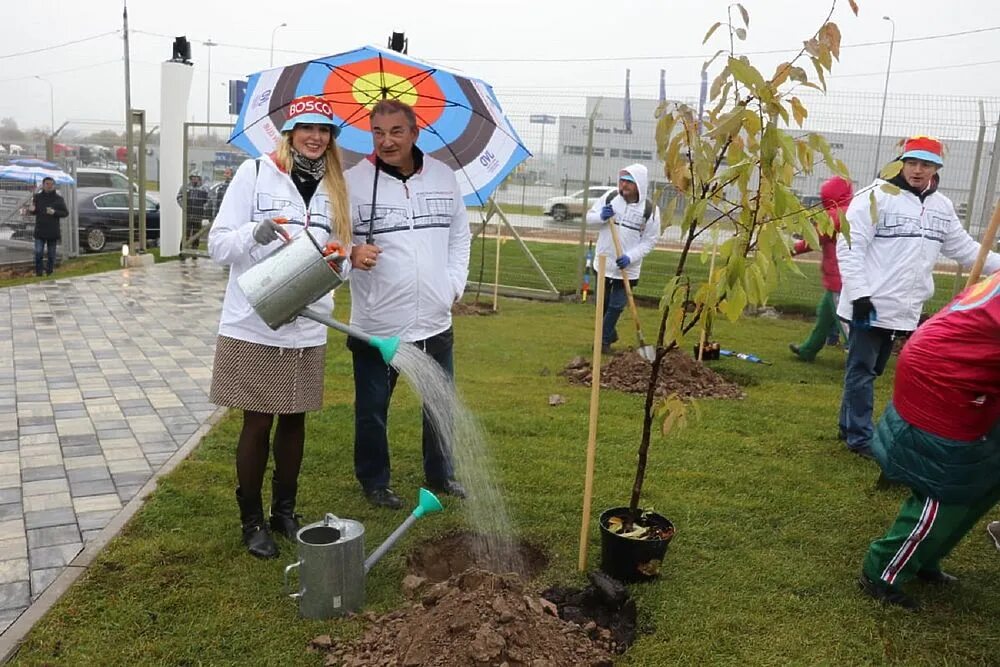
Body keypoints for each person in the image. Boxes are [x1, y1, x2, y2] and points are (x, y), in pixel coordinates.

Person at [207, 95, 352, 558]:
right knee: (257, 422)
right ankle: (251, 520)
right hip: (256, 324)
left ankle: (284, 512)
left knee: (295, 419)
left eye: (324, 130)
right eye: (307, 128)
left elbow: (342, 256)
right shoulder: (255, 173)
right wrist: (256, 233)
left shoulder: (336, 188)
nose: (315, 137)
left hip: (307, 323)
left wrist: (339, 263)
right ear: (289, 133)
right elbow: (217, 245)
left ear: (331, 139)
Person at [836, 135, 1000, 458]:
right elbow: (850, 247)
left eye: (925, 164)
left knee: (873, 370)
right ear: (901, 163)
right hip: (867, 306)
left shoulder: (942, 207)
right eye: (912, 162)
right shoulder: (875, 197)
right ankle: (859, 436)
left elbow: (967, 252)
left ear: (937, 168)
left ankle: (848, 428)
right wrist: (860, 296)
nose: (917, 170)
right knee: (862, 370)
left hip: (904, 309)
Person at [345, 99, 471, 510]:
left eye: (396, 131)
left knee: (439, 406)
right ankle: (375, 481)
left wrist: (453, 284)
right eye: (377, 132)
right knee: (372, 410)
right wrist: (351, 251)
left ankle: (441, 474)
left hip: (435, 320)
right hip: (377, 324)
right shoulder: (352, 183)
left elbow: (459, 235)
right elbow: (334, 240)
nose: (386, 141)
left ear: (415, 133)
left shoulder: (443, 177)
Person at [858, 270, 1000, 610]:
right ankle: (882, 571)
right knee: (946, 488)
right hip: (944, 379)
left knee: (986, 479)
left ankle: (923, 559)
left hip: (973, 376)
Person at [584, 164, 661, 354]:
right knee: (602, 305)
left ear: (639, 185)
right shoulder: (610, 198)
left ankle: (602, 342)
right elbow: (589, 218)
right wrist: (601, 216)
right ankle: (609, 335)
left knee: (617, 305)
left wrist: (630, 257)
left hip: (627, 268)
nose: (623, 185)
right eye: (622, 180)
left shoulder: (650, 211)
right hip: (603, 262)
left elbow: (650, 241)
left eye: (629, 182)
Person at [789, 176, 853, 362]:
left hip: (839, 279)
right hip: (840, 277)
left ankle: (861, 357)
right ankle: (808, 350)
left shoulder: (835, 216)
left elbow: (813, 241)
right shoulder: (852, 211)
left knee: (845, 322)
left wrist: (788, 251)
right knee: (824, 316)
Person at [27, 176, 68, 276]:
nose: (49, 186)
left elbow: (65, 213)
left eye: (51, 184)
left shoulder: (58, 199)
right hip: (40, 229)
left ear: (54, 185)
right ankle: (39, 273)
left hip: (52, 230)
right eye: (47, 184)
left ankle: (49, 271)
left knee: (51, 254)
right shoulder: (37, 197)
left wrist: (54, 212)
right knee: (38, 252)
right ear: (43, 185)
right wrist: (31, 210)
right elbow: (35, 211)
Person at [176, 173, 209, 249]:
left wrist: (204, 207)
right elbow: (179, 197)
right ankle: (182, 250)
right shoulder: (185, 187)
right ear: (190, 178)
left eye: (196, 177)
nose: (194, 179)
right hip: (188, 214)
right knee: (186, 233)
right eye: (193, 177)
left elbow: (208, 200)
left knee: (196, 233)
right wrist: (184, 206)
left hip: (198, 215)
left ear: (199, 178)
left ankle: (194, 251)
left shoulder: (204, 189)